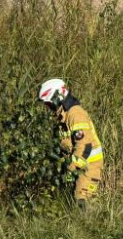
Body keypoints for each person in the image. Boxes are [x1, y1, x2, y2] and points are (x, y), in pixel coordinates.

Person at [38, 79, 103, 208]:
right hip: (77, 166)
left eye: (49, 104)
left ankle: (88, 226)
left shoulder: (75, 114)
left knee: (81, 200)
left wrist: (70, 169)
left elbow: (85, 146)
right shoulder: (62, 116)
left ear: (58, 97)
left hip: (89, 166)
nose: (49, 108)